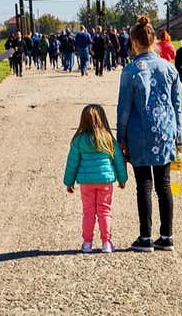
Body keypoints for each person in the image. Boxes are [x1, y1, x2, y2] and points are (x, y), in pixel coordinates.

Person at [116, 16, 182, 252]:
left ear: (134, 42)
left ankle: (145, 237)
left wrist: (120, 139)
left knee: (143, 184)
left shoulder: (130, 71)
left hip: (139, 133)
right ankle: (167, 235)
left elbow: (123, 108)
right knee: (164, 185)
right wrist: (178, 135)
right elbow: (177, 104)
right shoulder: (168, 68)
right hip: (165, 131)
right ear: (153, 40)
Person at [63, 104, 128, 253]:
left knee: (88, 212)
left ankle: (87, 243)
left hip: (86, 183)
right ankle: (106, 242)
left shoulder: (79, 141)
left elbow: (72, 162)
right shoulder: (108, 139)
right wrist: (122, 179)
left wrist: (69, 181)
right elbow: (118, 160)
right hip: (105, 182)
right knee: (104, 211)